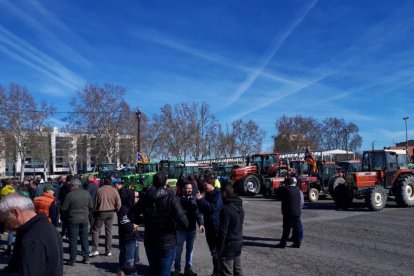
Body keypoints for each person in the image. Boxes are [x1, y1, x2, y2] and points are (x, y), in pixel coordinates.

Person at [132, 172, 189, 276]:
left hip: (151, 240)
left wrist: (144, 220)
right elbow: (184, 221)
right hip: (167, 241)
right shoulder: (172, 198)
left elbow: (133, 213)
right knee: (163, 272)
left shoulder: (146, 197)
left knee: (153, 270)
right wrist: (175, 224)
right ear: (165, 183)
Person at [0, 193, 63, 276]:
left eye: (6, 221)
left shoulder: (31, 239)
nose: (6, 227)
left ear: (15, 212)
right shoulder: (46, 226)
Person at [173, 181, 205, 276]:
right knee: (178, 250)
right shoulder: (178, 199)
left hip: (191, 229)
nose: (189, 190)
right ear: (183, 189)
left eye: (190, 188)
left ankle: (188, 269)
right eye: (187, 188)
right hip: (180, 229)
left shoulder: (194, 199)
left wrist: (201, 224)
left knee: (189, 250)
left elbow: (198, 213)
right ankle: (177, 269)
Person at [61, 178, 93, 265]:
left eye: (71, 185)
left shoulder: (70, 195)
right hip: (84, 220)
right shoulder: (87, 193)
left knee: (73, 240)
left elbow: (64, 208)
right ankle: (86, 258)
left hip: (73, 220)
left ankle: (72, 260)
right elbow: (91, 206)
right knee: (84, 239)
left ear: (74, 185)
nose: (70, 187)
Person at [196, 175, 224, 276]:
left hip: (216, 226)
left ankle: (218, 272)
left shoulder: (217, 194)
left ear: (211, 184)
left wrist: (201, 200)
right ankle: (216, 271)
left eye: (205, 185)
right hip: (209, 226)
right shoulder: (206, 194)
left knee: (218, 252)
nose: (204, 187)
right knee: (213, 252)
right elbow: (202, 210)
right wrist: (199, 201)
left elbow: (213, 209)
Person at [90, 176, 121, 257]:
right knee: (109, 232)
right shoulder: (114, 190)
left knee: (96, 230)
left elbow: (95, 203)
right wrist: (116, 210)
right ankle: (108, 250)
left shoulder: (99, 190)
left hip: (101, 212)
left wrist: (95, 211)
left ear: (103, 182)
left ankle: (95, 249)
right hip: (111, 212)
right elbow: (118, 203)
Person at [218, 185, 244, 276]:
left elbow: (223, 230)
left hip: (229, 243)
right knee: (238, 270)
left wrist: (220, 247)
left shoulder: (226, 209)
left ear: (225, 193)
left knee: (227, 272)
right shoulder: (240, 207)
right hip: (239, 241)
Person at [276, 175, 304, 248]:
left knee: (286, 229)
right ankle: (297, 243)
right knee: (297, 228)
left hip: (288, 213)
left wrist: (281, 184)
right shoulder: (297, 190)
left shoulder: (285, 189)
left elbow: (277, 191)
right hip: (297, 212)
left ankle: (283, 244)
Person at [117, 190, 140, 276]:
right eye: (135, 197)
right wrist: (136, 225)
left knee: (125, 265)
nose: (137, 199)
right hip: (128, 240)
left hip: (133, 238)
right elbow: (127, 227)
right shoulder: (124, 210)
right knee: (130, 267)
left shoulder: (132, 208)